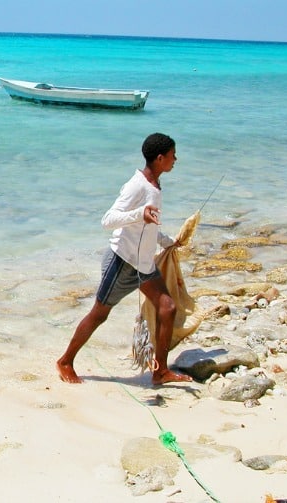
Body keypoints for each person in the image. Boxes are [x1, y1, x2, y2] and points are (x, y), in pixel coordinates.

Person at [56, 133, 193, 386]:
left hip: (144, 266)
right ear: (160, 158)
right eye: (173, 155)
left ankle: (160, 371)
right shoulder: (137, 185)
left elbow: (147, 228)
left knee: (168, 308)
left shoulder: (155, 186)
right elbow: (108, 220)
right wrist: (140, 212)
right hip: (122, 263)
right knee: (99, 315)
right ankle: (65, 361)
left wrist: (168, 241)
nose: (176, 159)